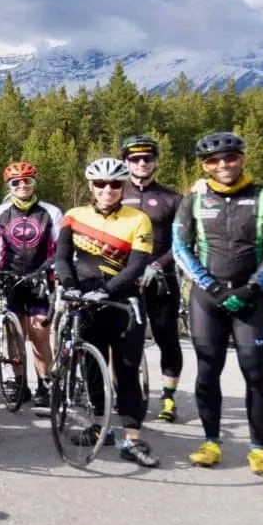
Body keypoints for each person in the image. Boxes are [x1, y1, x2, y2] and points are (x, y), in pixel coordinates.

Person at [173, 131, 263, 476]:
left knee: (255, 374)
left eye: (230, 158)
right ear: (204, 165)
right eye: (213, 160)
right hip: (207, 298)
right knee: (208, 372)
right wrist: (208, 285)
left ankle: (259, 448)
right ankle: (211, 442)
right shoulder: (193, 200)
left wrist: (253, 288)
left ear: (242, 158)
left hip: (250, 298)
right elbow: (180, 247)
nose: (223, 165)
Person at [55, 157, 160, 467]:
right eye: (100, 184)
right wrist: (69, 285)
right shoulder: (73, 216)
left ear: (123, 186)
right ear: (91, 185)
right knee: (90, 367)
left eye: (115, 184)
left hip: (123, 304)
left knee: (126, 372)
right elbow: (62, 257)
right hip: (86, 303)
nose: (107, 190)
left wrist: (108, 290)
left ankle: (132, 438)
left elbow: (137, 264)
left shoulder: (138, 219)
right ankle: (99, 425)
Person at [119, 134, 185, 423]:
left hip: (161, 280)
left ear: (156, 161)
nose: (141, 163)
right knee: (123, 342)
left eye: (147, 158)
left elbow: (182, 242)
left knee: (167, 339)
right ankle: (125, 393)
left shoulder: (172, 198)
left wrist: (158, 265)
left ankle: (169, 398)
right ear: (126, 162)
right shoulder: (115, 193)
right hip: (125, 280)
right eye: (135, 158)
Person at [0, 161, 61, 410]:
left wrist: (48, 269)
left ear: (34, 183)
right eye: (15, 183)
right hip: (12, 279)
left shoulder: (50, 212)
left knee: (40, 335)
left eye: (27, 181)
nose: (22, 186)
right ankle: (20, 384)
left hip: (41, 280)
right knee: (15, 335)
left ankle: (45, 383)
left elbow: (61, 248)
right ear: (9, 186)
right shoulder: (0, 213)